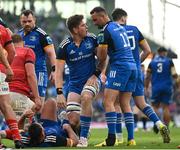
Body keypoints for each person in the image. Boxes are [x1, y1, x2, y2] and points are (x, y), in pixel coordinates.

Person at [111, 8, 170, 144]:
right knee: (141, 103)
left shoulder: (114, 31)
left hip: (122, 69)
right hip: (137, 70)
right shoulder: (135, 29)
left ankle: (120, 138)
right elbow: (148, 50)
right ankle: (159, 124)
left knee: (117, 103)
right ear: (124, 18)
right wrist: (137, 62)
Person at [90, 7, 137, 146]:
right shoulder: (119, 26)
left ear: (103, 16)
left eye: (95, 19)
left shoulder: (104, 32)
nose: (94, 22)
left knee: (107, 102)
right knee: (125, 103)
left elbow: (102, 56)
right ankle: (131, 139)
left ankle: (111, 139)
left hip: (120, 67)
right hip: (132, 66)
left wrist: (95, 51)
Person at [55, 14, 101, 147]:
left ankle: (84, 138)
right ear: (75, 30)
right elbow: (58, 71)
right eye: (83, 25)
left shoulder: (92, 39)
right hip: (74, 85)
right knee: (73, 121)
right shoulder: (64, 46)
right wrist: (59, 93)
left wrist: (97, 74)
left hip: (92, 80)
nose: (86, 26)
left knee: (86, 96)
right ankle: (84, 126)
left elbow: (104, 59)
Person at [0, 98, 78, 147]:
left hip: (46, 126)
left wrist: (23, 116)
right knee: (52, 102)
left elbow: (17, 131)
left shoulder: (24, 139)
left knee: (50, 102)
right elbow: (75, 142)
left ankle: (61, 118)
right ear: (43, 133)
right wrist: (68, 127)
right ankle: (64, 121)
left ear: (29, 134)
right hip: (56, 128)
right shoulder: (52, 139)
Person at [18, 10, 56, 102]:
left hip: (39, 73)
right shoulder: (19, 34)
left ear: (34, 20)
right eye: (24, 21)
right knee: (23, 102)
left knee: (38, 103)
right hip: (23, 74)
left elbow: (51, 53)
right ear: (20, 21)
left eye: (29, 21)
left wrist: (54, 70)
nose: (27, 24)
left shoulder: (41, 35)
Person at [0, 24, 23, 148]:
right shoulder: (4, 29)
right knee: (5, 105)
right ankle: (17, 137)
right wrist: (6, 68)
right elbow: (12, 51)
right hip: (1, 73)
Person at [9, 34, 42, 118]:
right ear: (23, 42)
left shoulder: (4, 53)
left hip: (3, 95)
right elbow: (30, 74)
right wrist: (37, 97)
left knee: (33, 108)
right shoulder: (27, 51)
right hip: (17, 94)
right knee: (20, 129)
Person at [145, 47, 178, 131]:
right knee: (165, 107)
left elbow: (147, 76)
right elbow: (174, 74)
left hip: (156, 87)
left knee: (154, 106)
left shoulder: (152, 62)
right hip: (167, 87)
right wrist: (178, 85)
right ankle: (166, 127)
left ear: (158, 52)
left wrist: (146, 87)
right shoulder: (169, 61)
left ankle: (157, 123)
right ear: (165, 52)